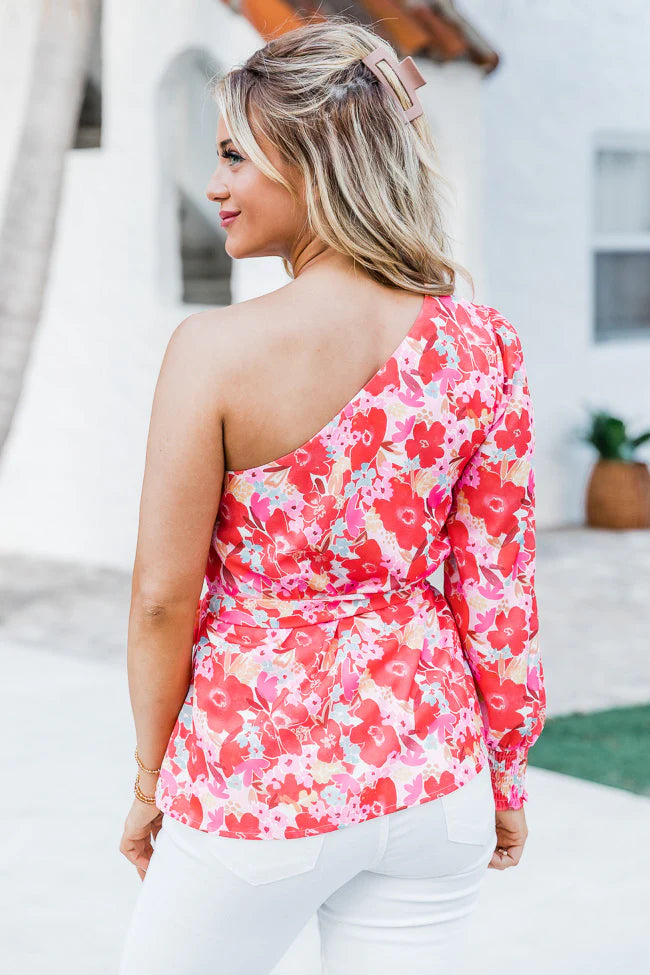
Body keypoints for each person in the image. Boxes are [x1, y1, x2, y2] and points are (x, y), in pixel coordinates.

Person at [117, 16, 546, 974]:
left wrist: (154, 775)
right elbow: (500, 591)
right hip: (434, 778)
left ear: (315, 162)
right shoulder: (485, 347)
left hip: (258, 783)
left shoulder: (214, 352)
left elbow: (159, 599)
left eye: (235, 156)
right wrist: (504, 770)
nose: (216, 185)